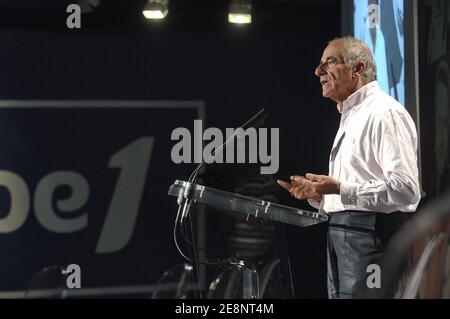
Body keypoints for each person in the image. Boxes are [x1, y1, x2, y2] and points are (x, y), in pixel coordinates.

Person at [277, 36, 421, 299]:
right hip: (344, 233)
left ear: (358, 69)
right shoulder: (352, 115)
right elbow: (359, 186)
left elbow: (406, 190)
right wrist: (321, 194)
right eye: (320, 64)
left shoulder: (383, 113)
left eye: (329, 63)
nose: (318, 71)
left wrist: (340, 188)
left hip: (373, 236)